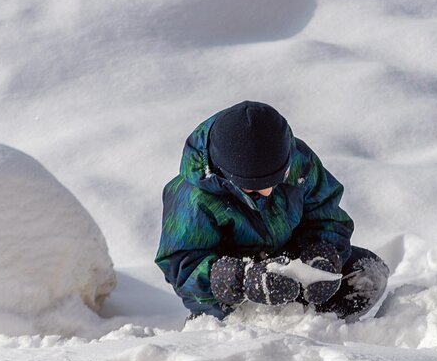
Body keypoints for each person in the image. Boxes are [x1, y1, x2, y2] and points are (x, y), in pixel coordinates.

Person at [156, 100, 389, 321]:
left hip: (292, 270)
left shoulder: (299, 161)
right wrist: (239, 280)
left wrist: (323, 255)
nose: (268, 192)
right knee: (240, 325)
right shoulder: (192, 197)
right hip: (235, 299)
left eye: (277, 180)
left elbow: (326, 215)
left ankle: (321, 333)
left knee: (368, 274)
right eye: (254, 188)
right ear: (226, 176)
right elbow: (183, 266)